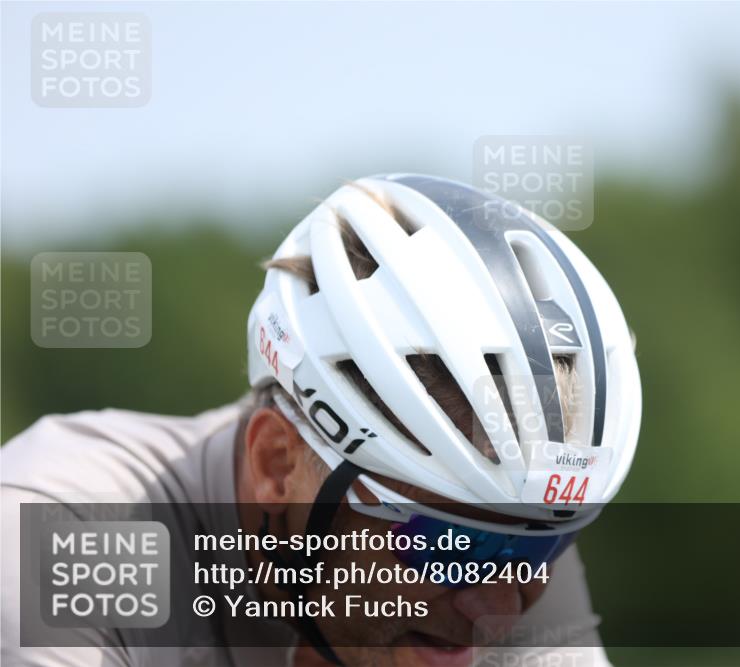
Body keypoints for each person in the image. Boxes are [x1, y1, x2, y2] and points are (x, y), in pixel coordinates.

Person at [1, 175, 642, 667]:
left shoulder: (505, 528)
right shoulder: (60, 537)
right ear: (277, 463)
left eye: (543, 548)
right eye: (449, 548)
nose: (497, 613)